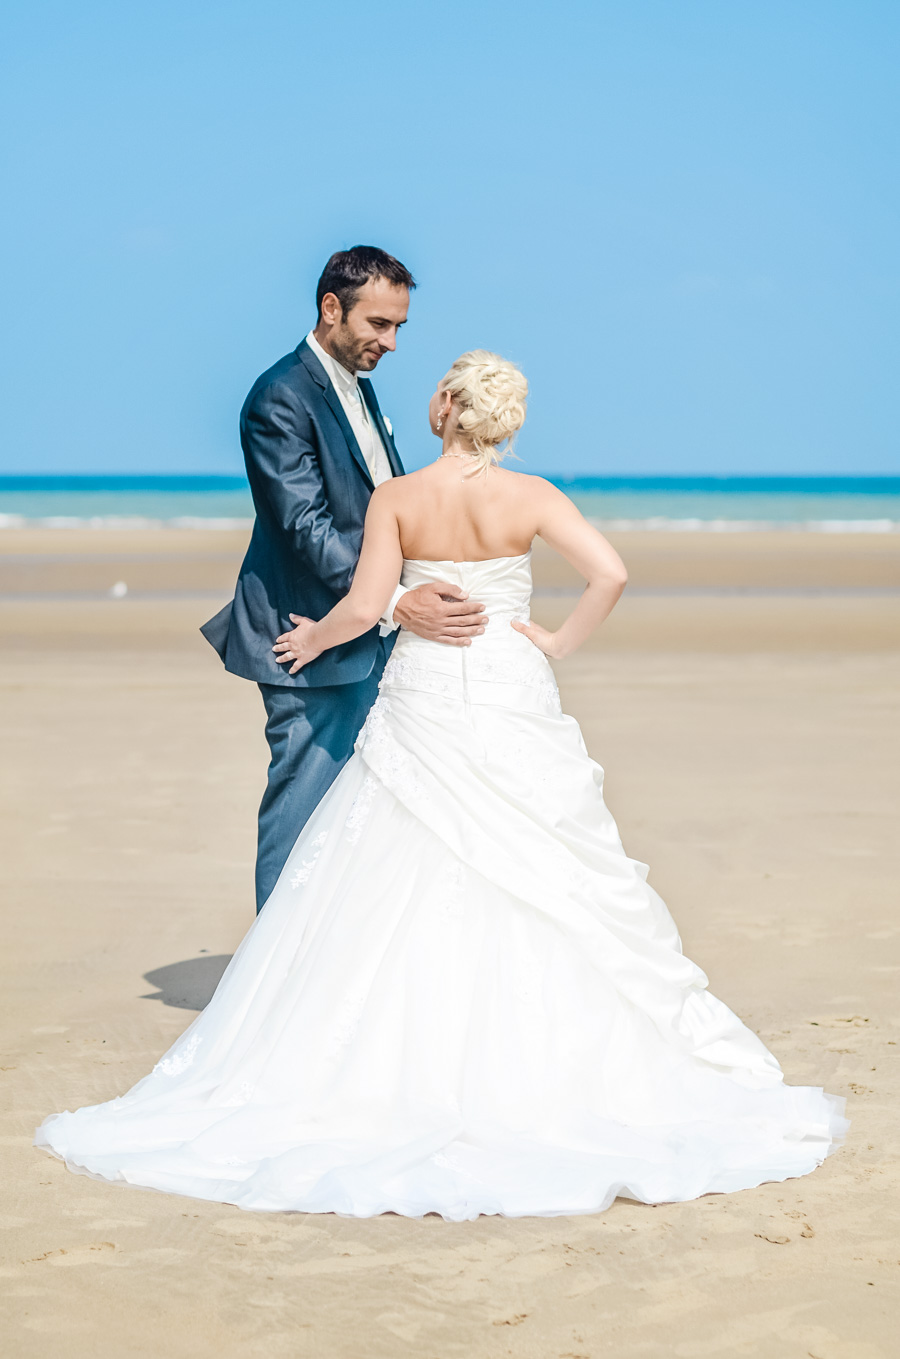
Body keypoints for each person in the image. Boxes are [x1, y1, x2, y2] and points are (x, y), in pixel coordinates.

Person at [36, 352, 846, 1219]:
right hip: (505, 682)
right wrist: (561, 641)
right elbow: (610, 572)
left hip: (424, 687)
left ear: (446, 406)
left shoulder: (399, 498)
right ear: (505, 421)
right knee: (542, 855)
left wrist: (309, 641)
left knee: (391, 849)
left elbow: (365, 603)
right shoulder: (531, 497)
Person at [200, 246, 488, 911]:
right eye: (378, 324)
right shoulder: (280, 397)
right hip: (308, 635)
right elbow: (306, 528)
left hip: (364, 631)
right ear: (332, 307)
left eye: (398, 327)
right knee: (302, 815)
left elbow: (375, 504)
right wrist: (391, 603)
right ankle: (271, 990)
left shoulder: (355, 384)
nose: (389, 342)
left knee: (353, 824)